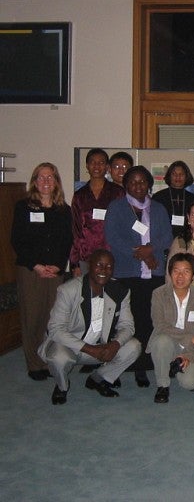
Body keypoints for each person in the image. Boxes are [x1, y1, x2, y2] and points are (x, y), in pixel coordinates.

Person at [38, 249, 141, 404]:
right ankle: (62, 386)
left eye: (109, 267)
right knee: (58, 357)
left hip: (103, 347)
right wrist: (89, 349)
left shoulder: (120, 291)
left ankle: (98, 379)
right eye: (99, 265)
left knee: (134, 347)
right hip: (72, 346)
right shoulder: (68, 290)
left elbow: (127, 326)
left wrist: (114, 345)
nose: (104, 271)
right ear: (89, 265)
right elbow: (55, 329)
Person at [104, 165, 172, 387]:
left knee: (148, 321)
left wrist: (150, 250)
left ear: (149, 184)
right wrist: (140, 254)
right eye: (133, 181)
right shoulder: (116, 208)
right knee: (127, 322)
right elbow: (113, 238)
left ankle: (144, 364)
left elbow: (166, 237)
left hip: (154, 274)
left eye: (143, 181)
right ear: (126, 185)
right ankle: (127, 366)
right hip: (127, 273)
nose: (138, 185)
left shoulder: (159, 208)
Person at [11, 162, 72, 381]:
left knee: (52, 317)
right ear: (34, 181)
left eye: (50, 177)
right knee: (32, 316)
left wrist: (57, 264)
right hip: (30, 270)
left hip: (55, 270)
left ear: (56, 181)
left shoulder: (63, 210)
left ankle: (48, 359)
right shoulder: (23, 207)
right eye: (41, 177)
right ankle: (34, 363)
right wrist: (36, 265)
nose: (46, 181)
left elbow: (67, 241)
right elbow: (17, 240)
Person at [147, 253, 194, 403]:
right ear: (170, 273)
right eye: (176, 271)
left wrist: (188, 355)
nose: (180, 276)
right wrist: (189, 337)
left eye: (186, 271)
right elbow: (160, 325)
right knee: (161, 340)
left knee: (190, 383)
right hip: (168, 342)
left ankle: (180, 368)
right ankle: (163, 385)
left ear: (193, 276)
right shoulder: (159, 294)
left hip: (193, 348)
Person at [70, 148, 124, 276]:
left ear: (107, 167)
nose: (96, 166)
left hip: (112, 255)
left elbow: (123, 227)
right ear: (87, 166)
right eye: (92, 162)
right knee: (86, 293)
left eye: (101, 163)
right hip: (86, 256)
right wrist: (74, 263)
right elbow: (75, 230)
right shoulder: (79, 195)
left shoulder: (118, 192)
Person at [152, 160, 194, 239]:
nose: (178, 177)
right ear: (169, 176)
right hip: (163, 240)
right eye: (174, 174)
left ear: (186, 176)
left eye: (181, 174)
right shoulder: (158, 197)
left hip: (188, 240)